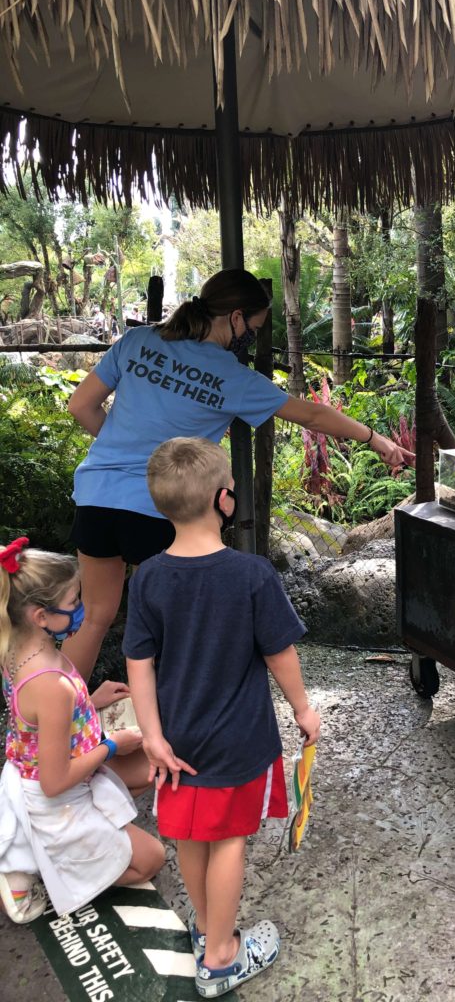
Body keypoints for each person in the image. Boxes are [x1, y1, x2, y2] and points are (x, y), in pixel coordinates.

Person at [66, 268, 414, 691]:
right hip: (164, 508)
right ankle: (177, 728)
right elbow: (313, 414)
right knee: (177, 629)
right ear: (235, 317)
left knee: (96, 616)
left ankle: (57, 723)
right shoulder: (233, 378)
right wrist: (377, 439)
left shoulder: (137, 342)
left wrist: (124, 448)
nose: (251, 335)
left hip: (97, 498)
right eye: (253, 326)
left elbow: (80, 406)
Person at [125, 437, 320, 997]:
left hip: (178, 738)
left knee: (190, 835)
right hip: (238, 740)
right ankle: (221, 956)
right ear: (224, 500)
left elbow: (139, 664)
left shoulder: (148, 578)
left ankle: (206, 927)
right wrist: (303, 709)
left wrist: (154, 738)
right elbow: (279, 652)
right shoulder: (252, 575)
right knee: (231, 837)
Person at [0, 538, 165, 924]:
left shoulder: (16, 648)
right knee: (150, 860)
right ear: (41, 616)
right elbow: (54, 782)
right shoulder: (50, 684)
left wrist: (92, 700)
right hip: (55, 797)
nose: (82, 609)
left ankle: (66, 847)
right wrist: (111, 746)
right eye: (74, 601)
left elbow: (39, 723)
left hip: (47, 770)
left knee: (147, 769)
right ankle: (39, 867)